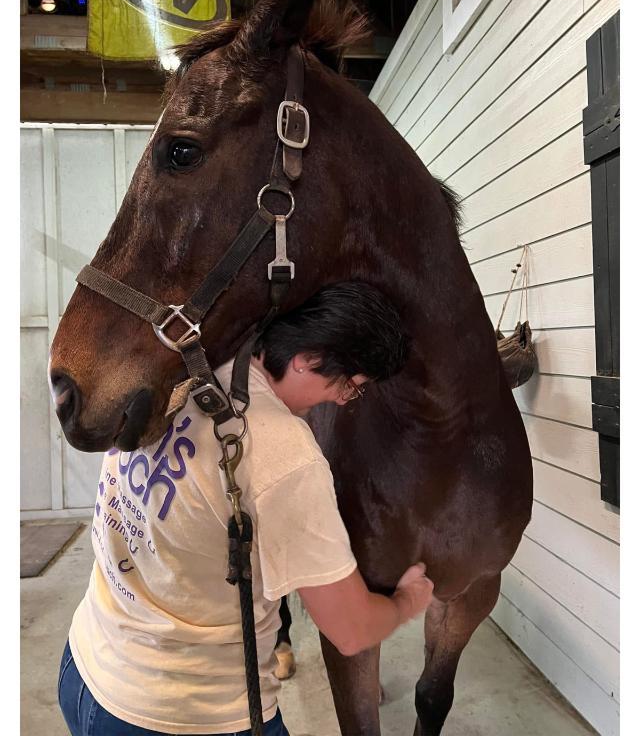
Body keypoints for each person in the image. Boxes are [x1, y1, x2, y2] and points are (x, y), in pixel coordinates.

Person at [58, 281, 435, 736]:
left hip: (85, 666)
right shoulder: (284, 454)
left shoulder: (180, 369)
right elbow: (352, 630)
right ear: (306, 359)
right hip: (183, 713)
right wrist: (405, 603)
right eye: (350, 385)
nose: (343, 399)